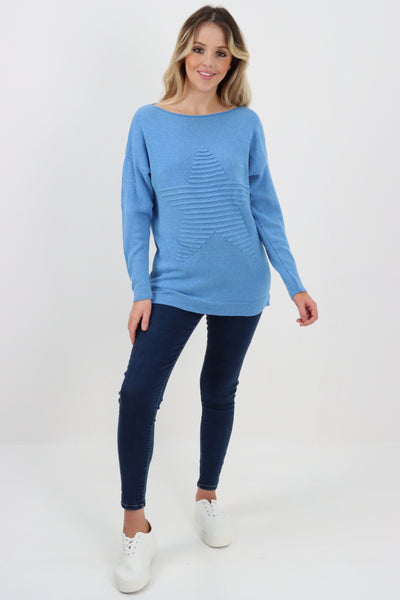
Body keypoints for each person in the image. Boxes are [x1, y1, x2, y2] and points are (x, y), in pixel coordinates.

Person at [114, 4, 318, 593]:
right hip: (173, 285)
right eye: (200, 49)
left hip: (242, 283)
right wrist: (141, 289)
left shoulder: (245, 124)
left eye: (221, 52)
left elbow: (265, 207)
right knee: (137, 395)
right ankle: (136, 526)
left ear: (234, 61)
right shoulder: (148, 121)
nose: (208, 62)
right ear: (183, 51)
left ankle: (207, 496)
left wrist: (294, 281)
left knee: (218, 390)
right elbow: (135, 211)